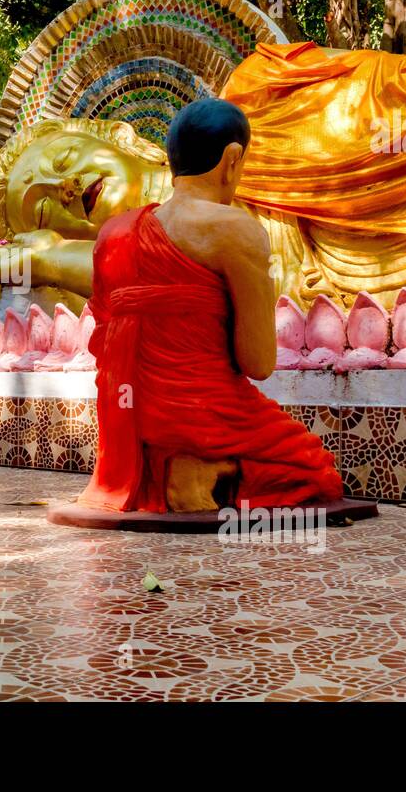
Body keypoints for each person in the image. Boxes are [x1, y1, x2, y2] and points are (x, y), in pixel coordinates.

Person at [78, 99, 343, 513]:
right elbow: (257, 362)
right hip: (205, 412)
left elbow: (102, 335)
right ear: (232, 159)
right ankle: (203, 465)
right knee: (314, 470)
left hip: (126, 413)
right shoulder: (234, 229)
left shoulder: (113, 232)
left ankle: (160, 461)